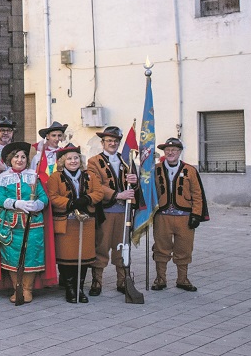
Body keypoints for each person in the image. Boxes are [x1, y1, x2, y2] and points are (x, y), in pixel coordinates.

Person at [0, 141, 48, 303]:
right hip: (10, 223)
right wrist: (17, 203)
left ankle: (27, 289)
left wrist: (37, 204)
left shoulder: (34, 177)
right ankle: (17, 287)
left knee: (31, 255)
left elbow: (43, 197)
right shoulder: (2, 178)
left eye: (23, 157)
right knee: (12, 257)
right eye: (16, 156)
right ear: (10, 159)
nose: (20, 160)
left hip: (33, 223)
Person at [47, 144, 103, 303]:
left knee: (83, 256)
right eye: (69, 158)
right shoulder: (55, 177)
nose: (73, 161)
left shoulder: (90, 175)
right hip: (66, 222)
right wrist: (70, 203)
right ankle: (70, 288)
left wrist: (87, 199)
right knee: (67, 257)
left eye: (76, 158)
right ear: (63, 161)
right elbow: (52, 196)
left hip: (86, 222)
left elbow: (98, 192)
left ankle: (79, 287)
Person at [86, 125, 138, 296]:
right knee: (101, 246)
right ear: (103, 142)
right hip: (105, 211)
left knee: (121, 246)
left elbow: (133, 186)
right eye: (109, 140)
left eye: (115, 141)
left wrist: (134, 180)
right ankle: (97, 281)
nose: (112, 143)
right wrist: (117, 194)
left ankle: (122, 280)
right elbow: (95, 185)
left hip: (124, 212)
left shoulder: (126, 162)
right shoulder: (94, 161)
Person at [152, 137, 209, 292]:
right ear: (164, 152)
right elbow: (148, 192)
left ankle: (182, 279)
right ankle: (160, 279)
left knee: (184, 248)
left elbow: (197, 194)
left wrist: (196, 214)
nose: (171, 152)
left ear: (180, 152)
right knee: (161, 248)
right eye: (168, 150)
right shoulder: (155, 169)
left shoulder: (190, 170)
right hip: (162, 215)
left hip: (185, 216)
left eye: (174, 150)